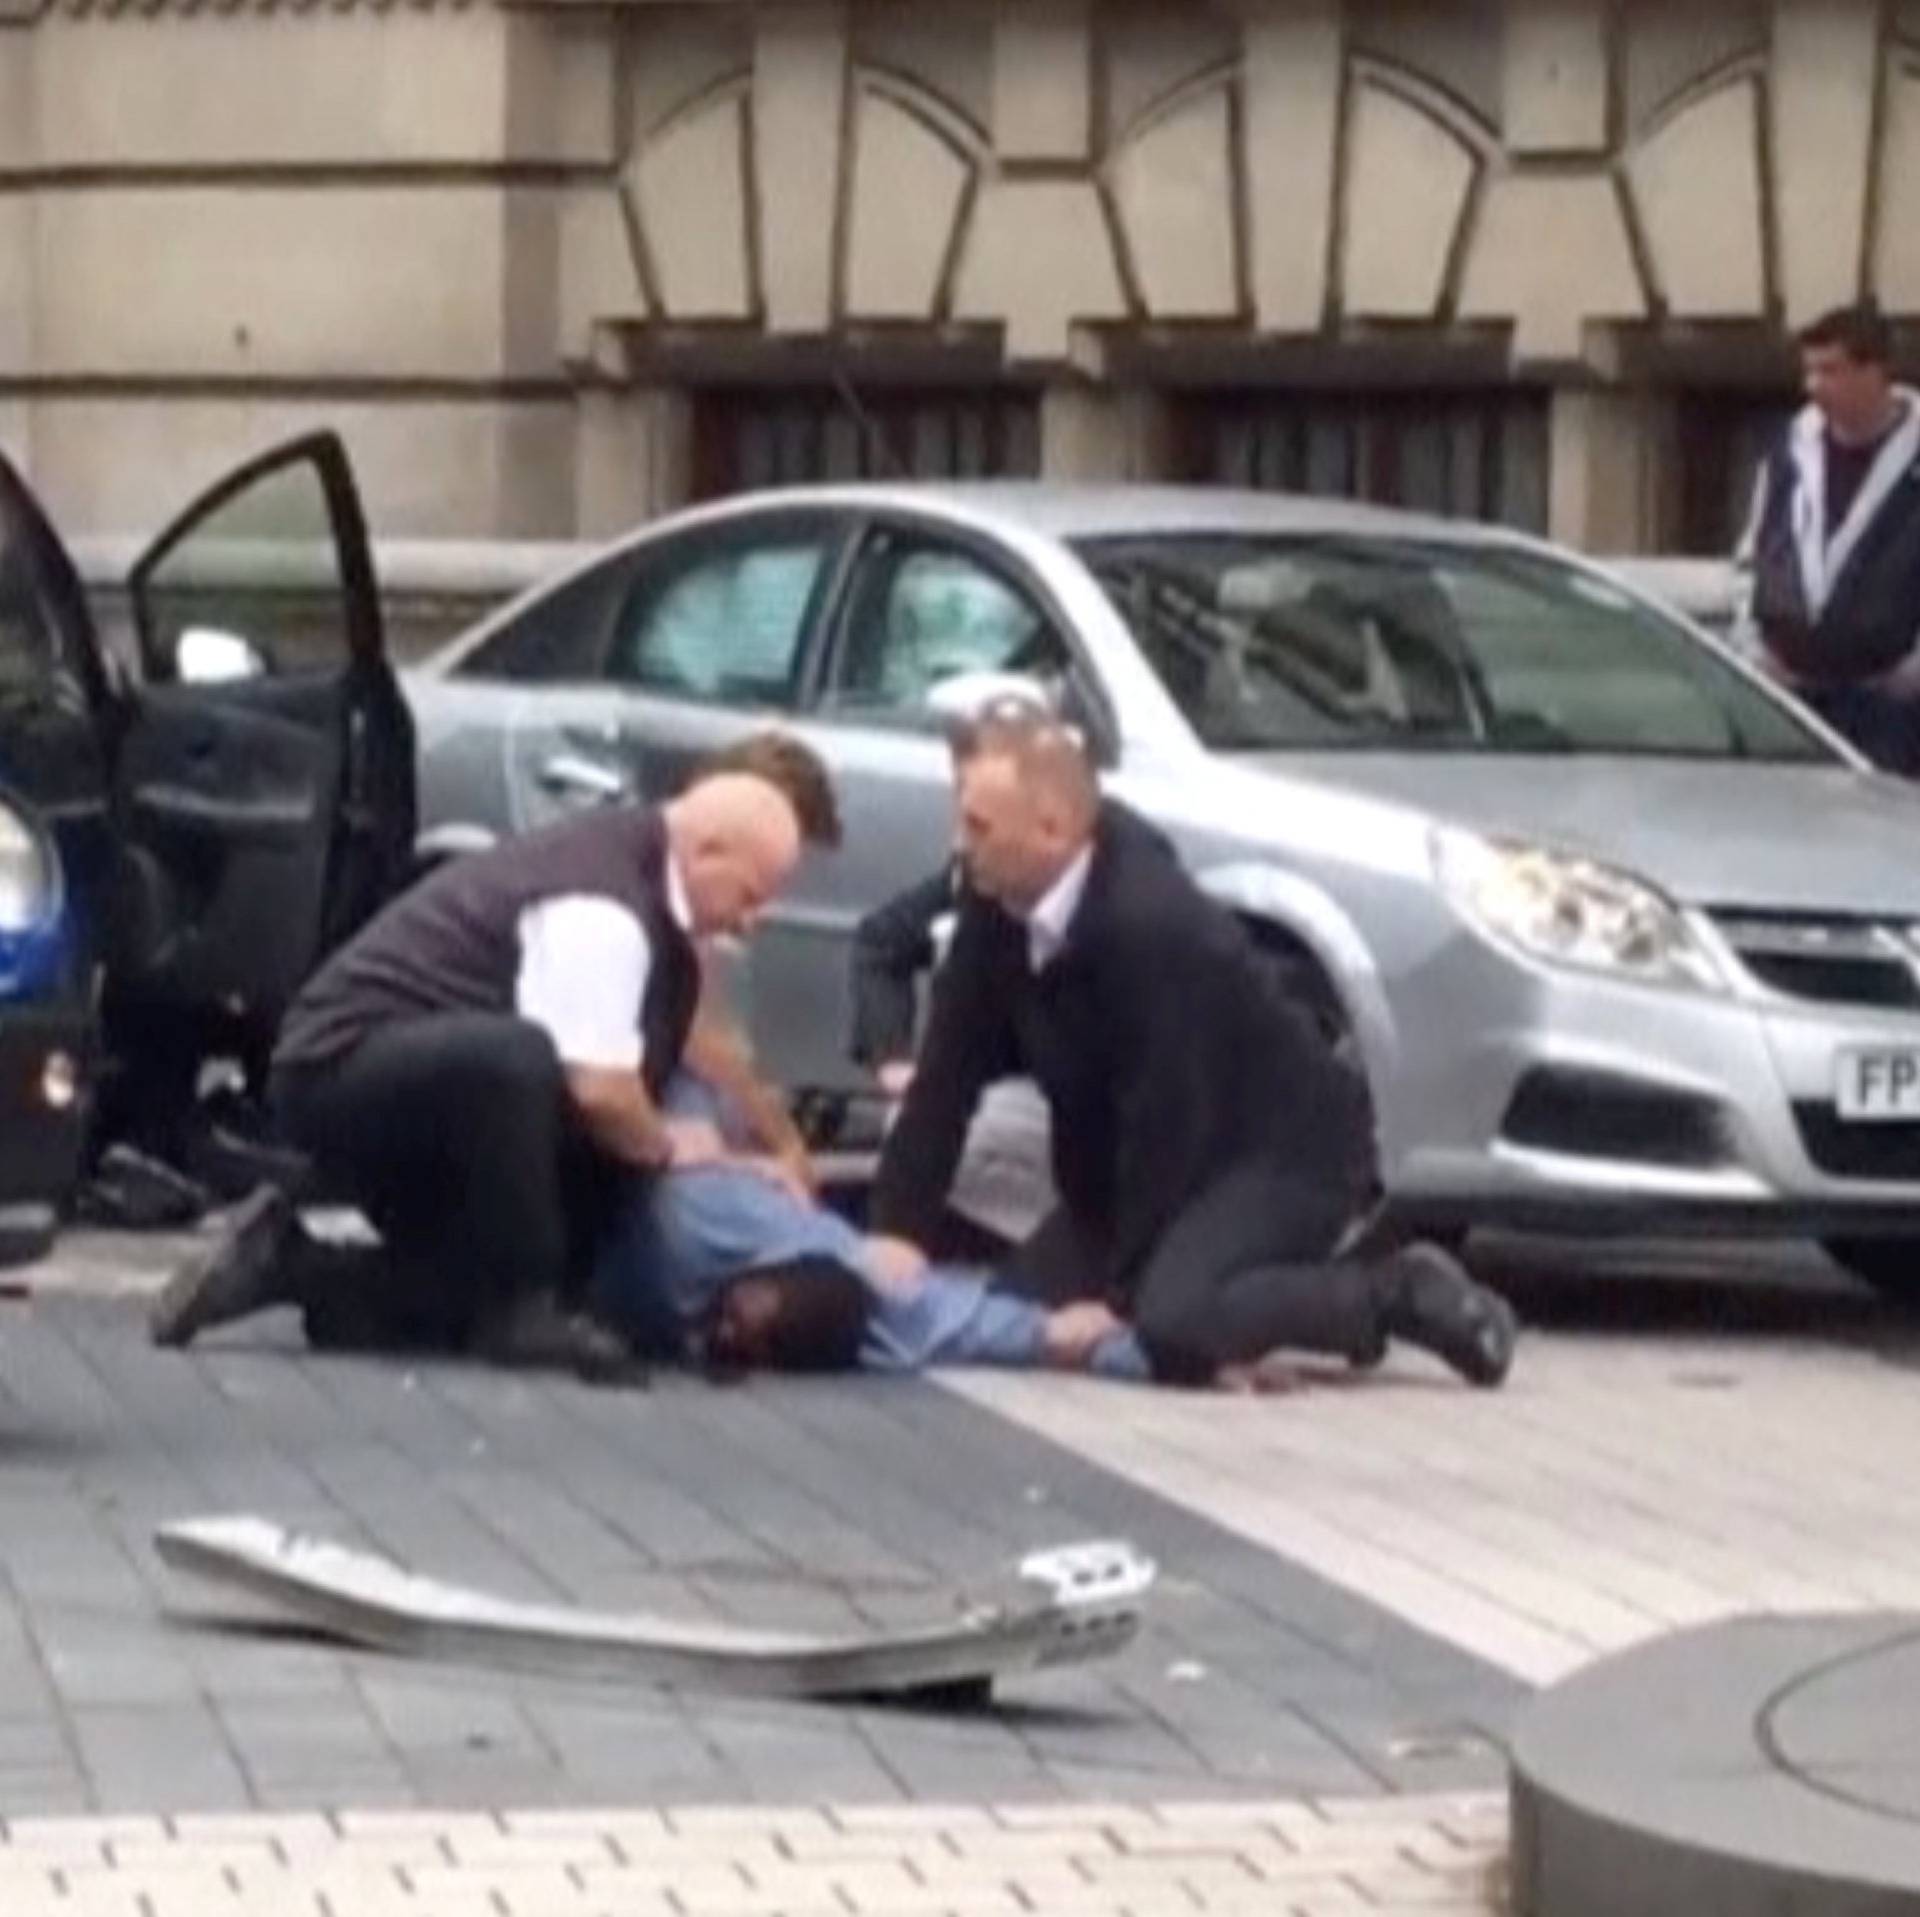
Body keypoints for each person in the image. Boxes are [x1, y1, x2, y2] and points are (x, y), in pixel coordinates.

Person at [868, 699, 1517, 1388]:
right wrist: (897, 1233)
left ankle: (1393, 1290)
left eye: (978, 826)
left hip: (1279, 1151)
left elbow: (1168, 1116)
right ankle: (1217, 1306)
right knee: (1014, 1313)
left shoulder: (1152, 923)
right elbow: (945, 1077)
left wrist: (1122, 1304)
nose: (959, 845)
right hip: (1133, 1174)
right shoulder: (995, 904)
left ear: (1052, 828)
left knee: (1174, 1326)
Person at [148, 733, 841, 1376]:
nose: (751, 922)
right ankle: (520, 1308)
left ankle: (300, 1270)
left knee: (566, 1236)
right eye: (751, 895)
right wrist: (669, 1145)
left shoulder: (648, 890)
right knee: (526, 1063)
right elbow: (598, 1088)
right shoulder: (604, 906)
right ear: (707, 851)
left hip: (452, 1090)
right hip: (346, 1071)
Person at [590, 1076, 1147, 1380]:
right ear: (766, 1266)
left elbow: (1046, 1340)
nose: (725, 1333)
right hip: (678, 1165)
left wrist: (1155, 1353)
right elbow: (1006, 1328)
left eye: (737, 1344)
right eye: (742, 1318)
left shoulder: (879, 1333)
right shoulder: (712, 1221)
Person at [1739, 300, 1920, 773]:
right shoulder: (1789, 449)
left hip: (1892, 702)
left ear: (1874, 370)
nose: (1814, 386)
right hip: (1793, 693)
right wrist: (1754, 649)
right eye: (1809, 371)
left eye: (1830, 371)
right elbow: (1753, 554)